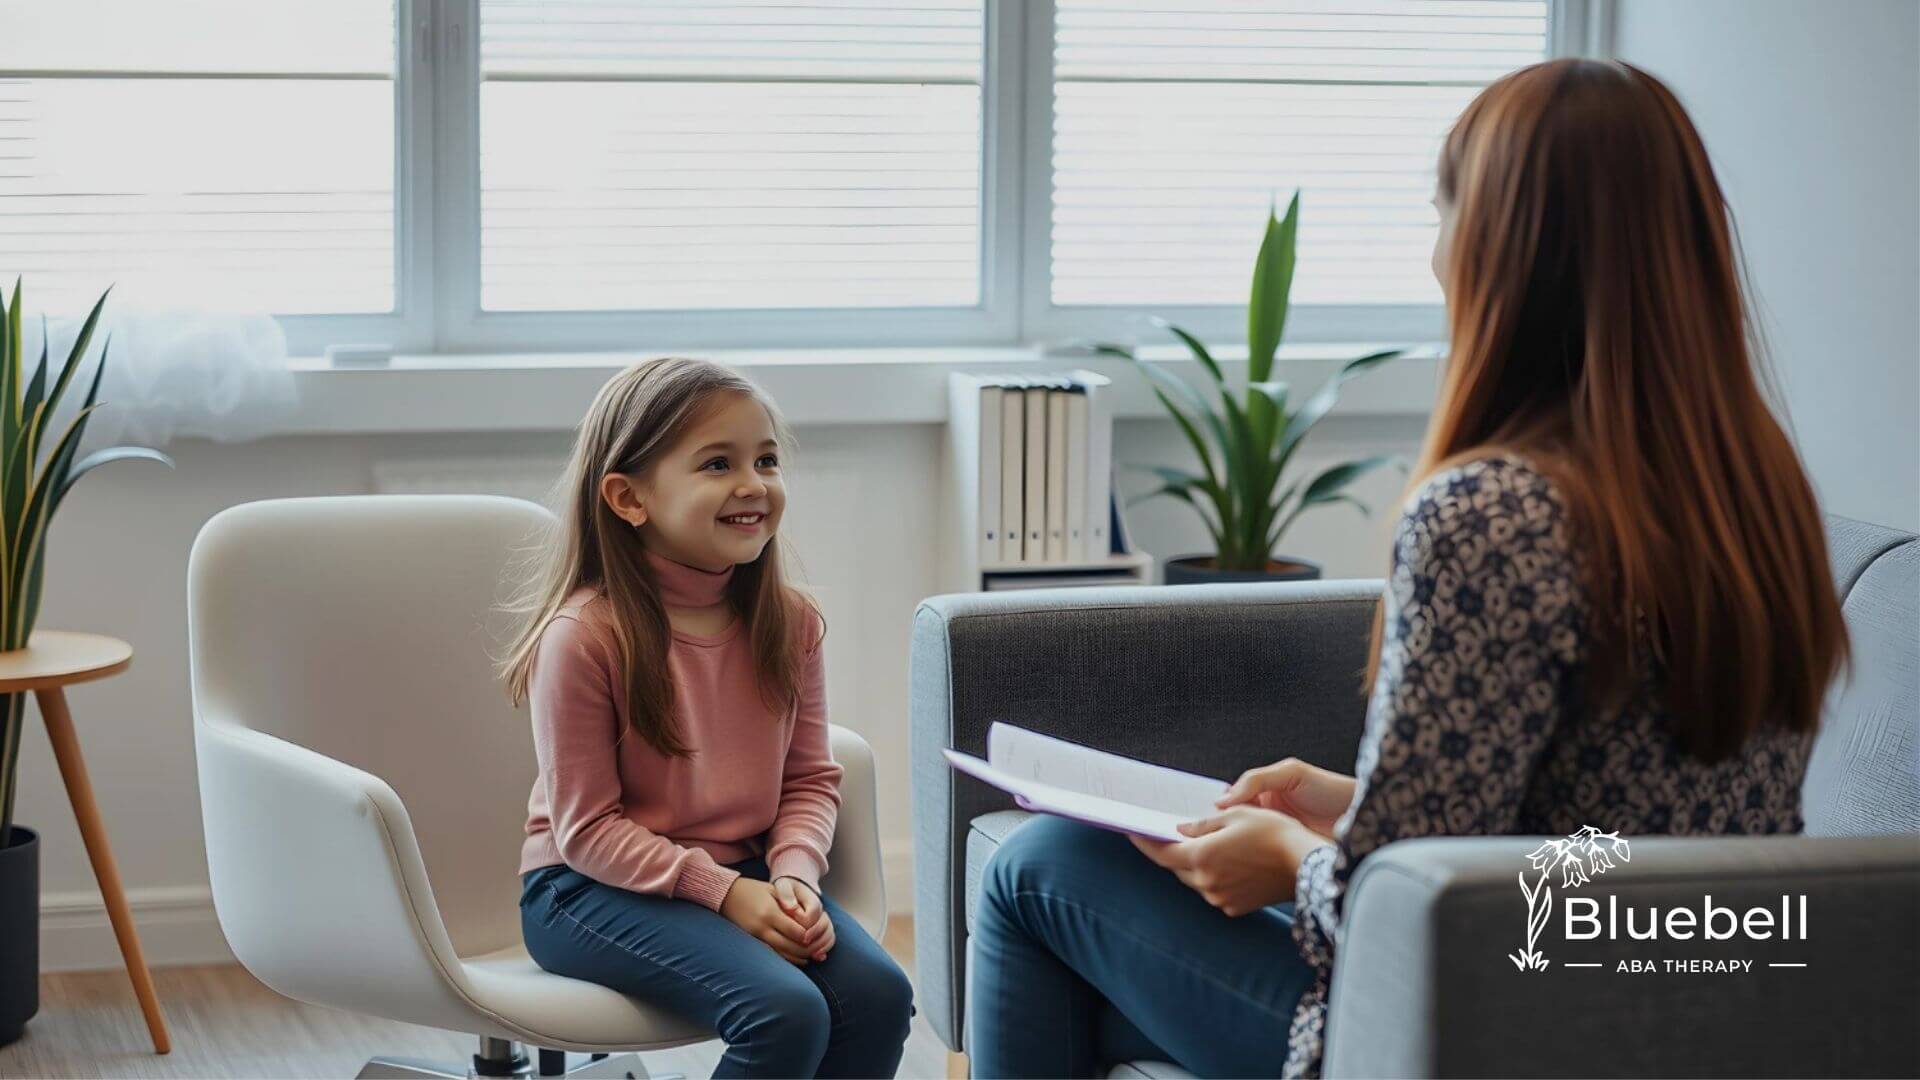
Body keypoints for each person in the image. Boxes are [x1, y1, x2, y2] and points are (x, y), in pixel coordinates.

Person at [967, 57, 1850, 1080]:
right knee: (1088, 979)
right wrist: (1351, 804)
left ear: (1505, 247)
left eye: (1445, 212)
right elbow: (1610, 845)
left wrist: (1290, 859)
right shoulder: (1756, 492)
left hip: (1489, 1033)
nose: (1435, 256)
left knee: (1039, 868)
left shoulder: (1489, 514)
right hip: (1680, 1021)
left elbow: (1415, 921)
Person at [499, 357, 915, 1078]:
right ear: (629, 498)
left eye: (766, 459)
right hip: (584, 891)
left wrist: (794, 877)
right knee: (783, 1011)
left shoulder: (792, 623)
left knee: (879, 996)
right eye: (718, 464)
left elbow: (812, 779)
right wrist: (726, 895)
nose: (754, 484)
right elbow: (588, 830)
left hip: (749, 870)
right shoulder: (585, 637)